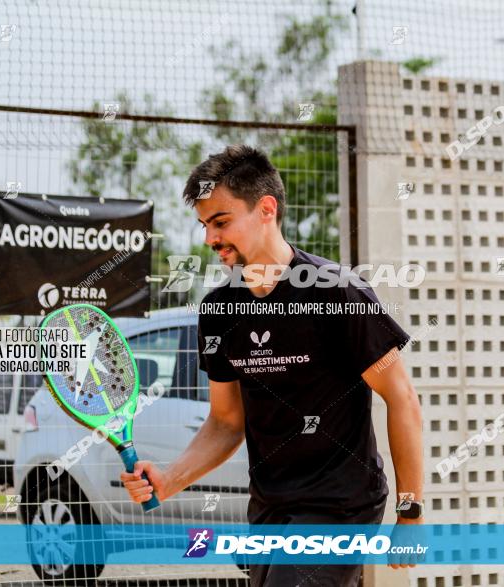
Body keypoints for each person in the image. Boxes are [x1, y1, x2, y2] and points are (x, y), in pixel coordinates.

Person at [121, 145, 424, 586]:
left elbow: (402, 399)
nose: (210, 238)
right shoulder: (219, 310)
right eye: (204, 225)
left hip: (340, 504)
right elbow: (226, 422)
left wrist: (409, 511)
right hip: (269, 508)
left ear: (266, 209)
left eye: (221, 222)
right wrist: (169, 479)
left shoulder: (335, 292)